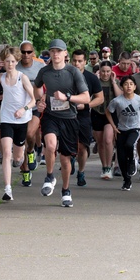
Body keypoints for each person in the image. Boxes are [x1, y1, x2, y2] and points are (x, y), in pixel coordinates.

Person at [33, 39, 90, 207]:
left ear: (65, 53)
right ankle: (49, 176)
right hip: (51, 116)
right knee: (50, 146)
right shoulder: (44, 72)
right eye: (53, 51)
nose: (56, 54)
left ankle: (66, 190)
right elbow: (36, 88)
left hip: (70, 118)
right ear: (49, 53)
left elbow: (86, 98)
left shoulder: (73, 72)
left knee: (65, 160)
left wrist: (67, 98)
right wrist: (39, 100)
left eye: (59, 51)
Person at [0, 46, 36, 202]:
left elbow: (33, 100)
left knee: (18, 157)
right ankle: (7, 189)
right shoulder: (2, 77)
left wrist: (23, 109)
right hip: (6, 118)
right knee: (6, 152)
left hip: (21, 118)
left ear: (17, 61)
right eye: (7, 61)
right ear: (3, 62)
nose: (10, 64)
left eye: (12, 61)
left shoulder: (22, 77)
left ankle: (26, 153)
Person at [70, 49, 104, 188]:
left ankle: (81, 171)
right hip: (66, 115)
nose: (77, 64)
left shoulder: (91, 78)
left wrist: (86, 105)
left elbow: (100, 98)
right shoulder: (66, 75)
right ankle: (70, 158)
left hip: (83, 116)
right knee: (68, 144)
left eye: (80, 61)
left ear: (85, 62)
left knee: (82, 147)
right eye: (75, 61)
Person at [106, 75, 140, 191]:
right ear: (122, 87)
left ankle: (133, 161)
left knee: (130, 144)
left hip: (135, 128)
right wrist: (113, 126)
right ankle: (127, 180)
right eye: (126, 84)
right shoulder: (117, 101)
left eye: (131, 84)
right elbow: (108, 112)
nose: (128, 86)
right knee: (121, 157)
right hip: (121, 129)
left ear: (134, 87)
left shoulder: (139, 100)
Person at [16, 40, 45, 186]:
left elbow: (49, 84)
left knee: (29, 134)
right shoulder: (15, 67)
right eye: (23, 52)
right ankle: (25, 171)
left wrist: (43, 99)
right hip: (17, 110)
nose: (26, 55)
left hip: (33, 107)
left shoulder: (40, 67)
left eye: (29, 52)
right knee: (20, 142)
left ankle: (32, 150)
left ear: (33, 53)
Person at [92, 60, 118, 179]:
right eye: (103, 71)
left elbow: (119, 96)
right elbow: (89, 95)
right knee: (100, 142)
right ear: (99, 71)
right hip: (97, 113)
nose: (105, 74)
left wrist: (113, 82)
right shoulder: (95, 82)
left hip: (111, 114)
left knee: (108, 140)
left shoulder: (115, 81)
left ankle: (109, 166)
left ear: (111, 72)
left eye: (108, 71)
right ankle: (105, 166)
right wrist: (96, 80)